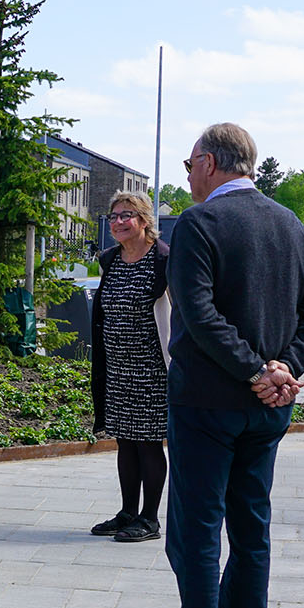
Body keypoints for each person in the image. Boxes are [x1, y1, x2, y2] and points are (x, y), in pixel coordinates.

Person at [134, 123, 304, 608]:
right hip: (267, 410)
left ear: (208, 162)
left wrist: (258, 371)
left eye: (188, 164)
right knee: (252, 531)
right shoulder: (291, 224)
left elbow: (196, 313)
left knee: (195, 534)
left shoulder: (200, 223)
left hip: (207, 404)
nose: (186, 175)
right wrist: (283, 371)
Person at [89, 190, 171, 543]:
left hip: (153, 368)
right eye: (114, 216)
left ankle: (149, 518)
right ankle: (127, 512)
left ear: (144, 221)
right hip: (117, 368)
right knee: (125, 442)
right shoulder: (111, 259)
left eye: (127, 216)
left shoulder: (164, 260)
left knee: (149, 443)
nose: (118, 222)